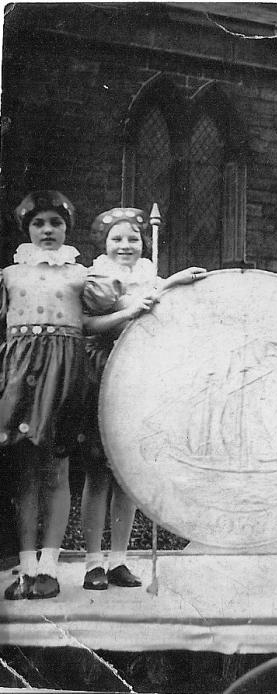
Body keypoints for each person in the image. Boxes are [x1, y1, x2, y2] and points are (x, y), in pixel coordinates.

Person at [79, 207, 206, 590]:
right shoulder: (97, 278)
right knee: (99, 472)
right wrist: (131, 311)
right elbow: (91, 321)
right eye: (117, 239)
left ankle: (119, 559)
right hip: (104, 371)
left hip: (142, 377)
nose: (125, 245)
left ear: (143, 243)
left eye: (133, 239)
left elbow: (161, 301)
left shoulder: (150, 276)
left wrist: (177, 281)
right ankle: (92, 562)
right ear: (104, 244)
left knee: (129, 476)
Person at [1, 191, 89, 600]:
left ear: (67, 227)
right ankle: (26, 566)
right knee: (25, 474)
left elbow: (94, 320)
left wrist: (132, 309)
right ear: (27, 229)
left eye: (55, 222)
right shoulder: (9, 276)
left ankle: (50, 567)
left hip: (63, 376)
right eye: (39, 223)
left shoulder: (80, 276)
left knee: (56, 471)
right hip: (20, 378)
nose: (48, 230)